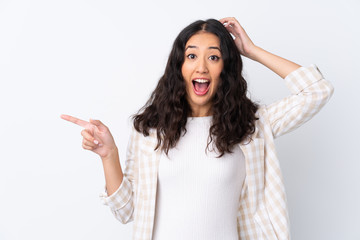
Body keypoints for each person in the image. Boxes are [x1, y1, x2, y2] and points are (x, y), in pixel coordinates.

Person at [61, 17, 334, 240]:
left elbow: (316, 91)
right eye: (191, 56)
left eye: (213, 58)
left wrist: (251, 51)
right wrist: (109, 155)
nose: (201, 66)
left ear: (225, 68)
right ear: (179, 66)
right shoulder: (150, 131)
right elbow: (126, 212)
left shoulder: (251, 127)